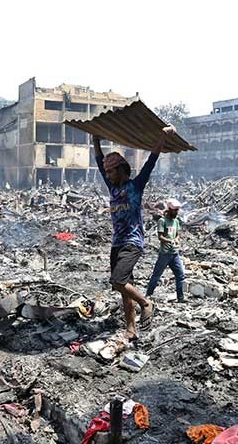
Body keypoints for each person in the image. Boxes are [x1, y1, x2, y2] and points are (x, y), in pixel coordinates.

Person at [93, 127, 174, 339]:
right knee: (124, 288)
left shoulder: (135, 186)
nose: (108, 175)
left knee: (117, 281)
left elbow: (151, 161)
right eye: (107, 172)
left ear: (121, 169)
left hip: (132, 242)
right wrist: (95, 139)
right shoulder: (112, 189)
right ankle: (131, 330)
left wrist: (163, 137)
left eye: (111, 171)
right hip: (116, 244)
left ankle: (146, 303)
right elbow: (99, 161)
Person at [146, 198, 186, 302]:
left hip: (174, 253)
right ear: (169, 209)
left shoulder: (176, 221)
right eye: (175, 210)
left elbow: (177, 234)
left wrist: (176, 240)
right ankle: (148, 295)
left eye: (177, 210)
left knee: (180, 275)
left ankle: (180, 298)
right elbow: (160, 237)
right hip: (165, 254)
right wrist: (169, 241)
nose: (177, 212)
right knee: (156, 275)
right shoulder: (162, 221)